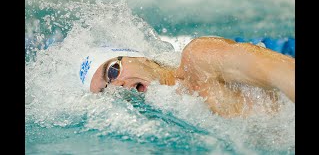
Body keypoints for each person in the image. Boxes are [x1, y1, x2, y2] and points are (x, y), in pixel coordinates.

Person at [82, 37, 295, 118]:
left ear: (140, 57)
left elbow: (285, 72)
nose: (117, 86)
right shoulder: (172, 118)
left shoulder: (199, 58)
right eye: (105, 90)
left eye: (112, 71)